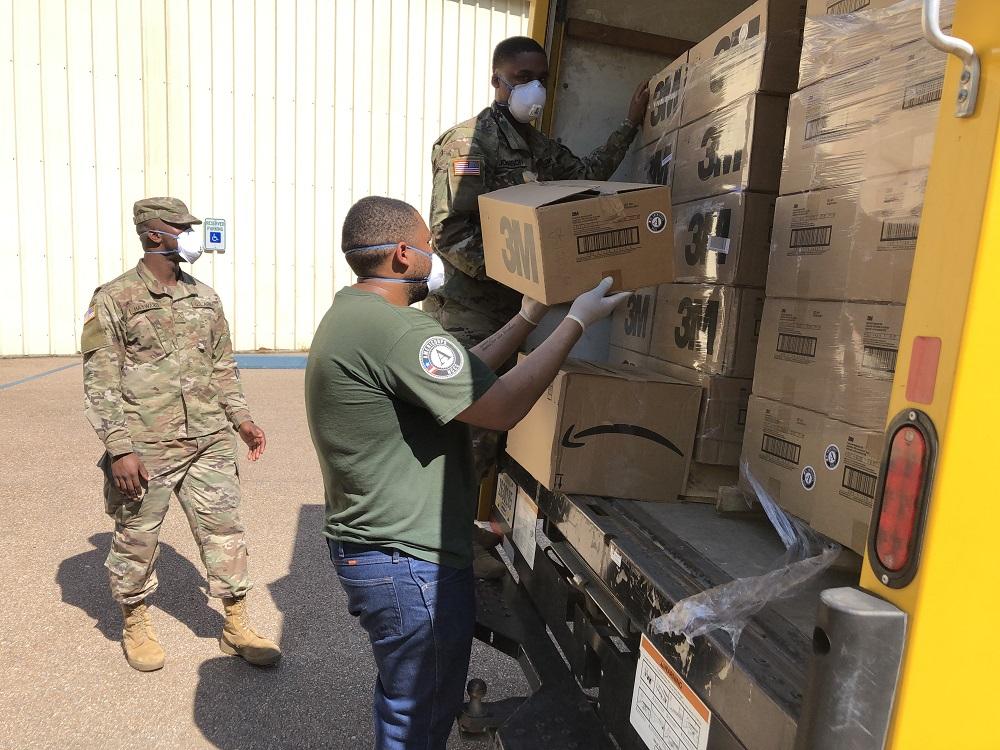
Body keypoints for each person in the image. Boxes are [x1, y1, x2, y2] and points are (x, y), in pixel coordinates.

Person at [304, 196, 628, 749]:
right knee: (419, 717)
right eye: (430, 247)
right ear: (404, 255)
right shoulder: (399, 332)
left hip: (381, 551)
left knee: (410, 704)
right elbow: (498, 407)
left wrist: (527, 318)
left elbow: (460, 375)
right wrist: (575, 324)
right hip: (408, 563)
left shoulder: (356, 315)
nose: (436, 257)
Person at [425, 37, 650, 572]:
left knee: (493, 429)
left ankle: (458, 527)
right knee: (465, 425)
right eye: (522, 76)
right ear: (497, 81)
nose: (535, 87)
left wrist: (631, 124)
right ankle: (439, 545)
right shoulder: (468, 142)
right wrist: (519, 270)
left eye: (541, 76)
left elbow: (587, 172)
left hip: (511, 311)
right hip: (468, 314)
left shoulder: (535, 145)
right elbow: (447, 232)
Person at [81, 197, 280, 672]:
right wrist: (119, 448)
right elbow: (100, 379)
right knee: (137, 536)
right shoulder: (114, 298)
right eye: (182, 228)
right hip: (147, 444)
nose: (192, 235)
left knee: (224, 529)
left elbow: (222, 365)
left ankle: (236, 623)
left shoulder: (205, 297)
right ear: (154, 235)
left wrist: (241, 418)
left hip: (209, 438)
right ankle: (135, 621)